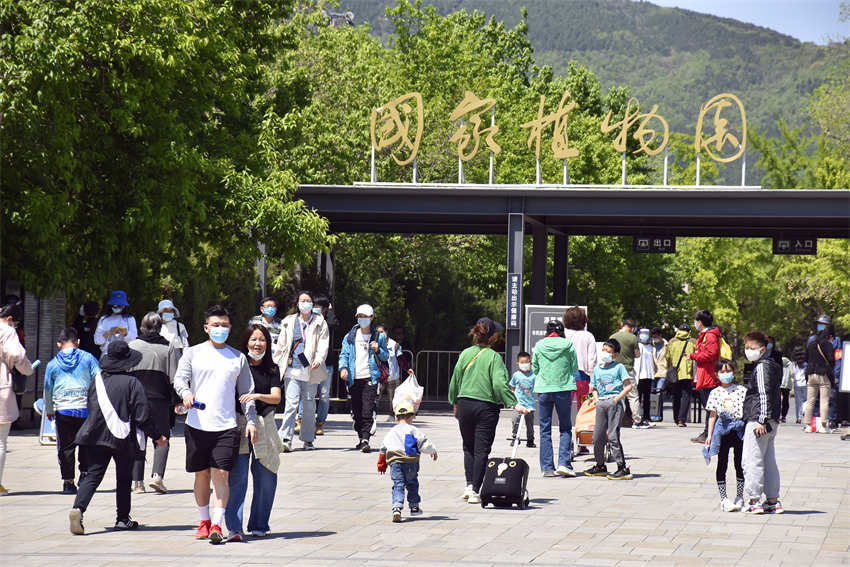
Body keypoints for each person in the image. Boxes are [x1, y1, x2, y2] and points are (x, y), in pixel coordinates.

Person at [173, 305, 258, 544]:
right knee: (202, 474)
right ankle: (204, 521)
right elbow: (180, 379)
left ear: (230, 328)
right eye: (216, 325)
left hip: (226, 426)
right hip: (197, 425)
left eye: (224, 325)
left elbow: (247, 393)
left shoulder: (238, 358)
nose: (220, 329)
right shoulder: (193, 353)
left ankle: (218, 525)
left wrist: (251, 421)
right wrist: (186, 393)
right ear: (206, 328)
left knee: (221, 474)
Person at [68, 341, 167, 534]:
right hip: (122, 437)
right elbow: (142, 415)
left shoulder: (97, 381)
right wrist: (157, 436)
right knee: (124, 478)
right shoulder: (132, 383)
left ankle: (78, 508)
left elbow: (91, 406)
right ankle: (122, 519)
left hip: (95, 435)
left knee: (93, 475)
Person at [448, 318, 521, 504]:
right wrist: (513, 403)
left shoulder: (465, 353)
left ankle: (469, 485)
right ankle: (475, 490)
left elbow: (455, 380)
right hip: (486, 407)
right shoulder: (494, 357)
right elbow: (499, 384)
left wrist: (455, 403)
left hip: (465, 404)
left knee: (468, 446)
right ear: (493, 336)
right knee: (481, 450)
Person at [225, 324, 282, 541]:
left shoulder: (272, 369)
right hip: (239, 425)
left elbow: (276, 397)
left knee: (266, 476)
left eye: (262, 340)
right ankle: (234, 528)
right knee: (237, 479)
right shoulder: (237, 365)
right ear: (245, 342)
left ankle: (259, 524)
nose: (258, 344)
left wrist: (257, 396)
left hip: (264, 425)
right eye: (253, 339)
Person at [44, 327, 100, 494]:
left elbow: (48, 388)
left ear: (59, 344)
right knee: (86, 443)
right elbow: (99, 380)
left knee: (66, 447)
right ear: (78, 342)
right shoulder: (88, 358)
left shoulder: (52, 364)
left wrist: (49, 409)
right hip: (85, 409)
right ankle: (85, 474)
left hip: (63, 410)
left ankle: (68, 482)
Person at [128, 312, 179, 494]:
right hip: (160, 400)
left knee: (138, 439)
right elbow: (174, 378)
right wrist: (177, 402)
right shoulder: (168, 347)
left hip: (136, 400)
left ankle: (138, 483)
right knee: (162, 438)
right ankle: (157, 477)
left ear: (142, 327)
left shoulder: (131, 346)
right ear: (160, 328)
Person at [273, 291, 329, 452]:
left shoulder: (319, 322)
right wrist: (276, 362)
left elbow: (323, 343)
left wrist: (319, 358)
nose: (305, 303)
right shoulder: (289, 321)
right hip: (292, 368)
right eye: (302, 300)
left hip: (311, 369)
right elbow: (282, 344)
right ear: (297, 303)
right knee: (291, 404)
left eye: (308, 300)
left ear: (312, 303)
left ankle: (308, 439)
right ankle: (285, 438)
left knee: (309, 405)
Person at [741, 331, 783, 514]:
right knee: (768, 461)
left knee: (752, 460)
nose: (748, 351)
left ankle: (754, 500)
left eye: (752, 347)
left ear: (763, 349)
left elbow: (763, 394)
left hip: (759, 420)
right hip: (772, 420)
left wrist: (762, 420)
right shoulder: (773, 365)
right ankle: (773, 500)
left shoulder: (761, 367)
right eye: (746, 347)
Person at [338, 304, 388, 452]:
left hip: (370, 377)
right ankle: (361, 437)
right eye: (360, 316)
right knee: (356, 410)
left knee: (368, 408)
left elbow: (385, 356)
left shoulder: (379, 336)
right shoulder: (350, 336)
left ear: (372, 318)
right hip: (354, 377)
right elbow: (344, 354)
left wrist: (378, 349)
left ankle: (366, 438)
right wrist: (343, 368)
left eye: (365, 316)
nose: (362, 319)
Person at [376, 404, 437, 523]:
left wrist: (381, 464)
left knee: (398, 484)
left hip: (395, 462)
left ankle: (397, 508)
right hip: (410, 461)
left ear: (396, 417)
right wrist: (432, 451)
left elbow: (383, 448)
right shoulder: (413, 429)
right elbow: (424, 444)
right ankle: (414, 507)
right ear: (412, 417)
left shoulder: (392, 431)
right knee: (412, 482)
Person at [532, 320, 578, 477]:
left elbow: (535, 368)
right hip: (563, 389)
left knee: (544, 429)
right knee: (565, 427)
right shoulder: (568, 345)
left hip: (543, 389)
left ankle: (547, 468)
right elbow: (574, 367)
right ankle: (564, 463)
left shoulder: (539, 345)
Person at [584, 338, 633, 480]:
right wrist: (596, 399)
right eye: (604, 350)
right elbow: (593, 387)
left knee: (612, 436)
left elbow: (628, 386)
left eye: (608, 351)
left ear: (615, 354)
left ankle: (622, 468)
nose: (605, 353)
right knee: (597, 436)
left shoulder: (619, 367)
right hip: (601, 403)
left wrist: (616, 400)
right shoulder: (597, 369)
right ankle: (600, 465)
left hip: (614, 403)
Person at [0, 302, 35, 496]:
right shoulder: (7, 331)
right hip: (1, 386)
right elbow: (16, 354)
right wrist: (28, 370)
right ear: (10, 319)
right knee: (0, 441)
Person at [703, 362, 747, 512]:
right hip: (722, 430)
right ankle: (723, 498)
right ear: (716, 374)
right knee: (722, 463)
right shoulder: (715, 393)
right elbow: (712, 415)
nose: (726, 374)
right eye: (722, 371)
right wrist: (709, 435)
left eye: (728, 370)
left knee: (740, 464)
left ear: (734, 372)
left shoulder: (742, 390)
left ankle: (740, 496)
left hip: (739, 429)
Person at [689, 310, 722, 444]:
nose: (695, 323)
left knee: (710, 406)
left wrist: (693, 356)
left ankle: (710, 433)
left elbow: (711, 354)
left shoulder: (710, 336)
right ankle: (708, 432)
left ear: (700, 322)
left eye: (696, 321)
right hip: (704, 375)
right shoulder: (705, 335)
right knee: (708, 406)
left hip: (708, 376)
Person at [562, 307, 596, 426]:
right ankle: (583, 433)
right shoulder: (588, 336)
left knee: (564, 408)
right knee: (586, 407)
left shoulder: (563, 335)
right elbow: (592, 359)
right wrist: (593, 381)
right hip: (584, 378)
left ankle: (565, 435)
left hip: (565, 378)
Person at [311, 295, 339, 434]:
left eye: (319, 307)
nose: (315, 309)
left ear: (325, 309)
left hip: (326, 363)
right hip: (310, 362)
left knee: (324, 394)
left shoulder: (328, 321)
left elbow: (334, 324)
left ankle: (320, 423)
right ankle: (301, 419)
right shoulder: (309, 320)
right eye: (314, 306)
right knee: (308, 393)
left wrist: (331, 311)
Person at [803, 324, 835, 433]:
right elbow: (831, 360)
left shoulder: (811, 344)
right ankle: (823, 426)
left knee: (810, 401)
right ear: (829, 336)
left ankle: (808, 425)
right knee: (824, 401)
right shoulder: (828, 344)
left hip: (810, 374)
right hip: (823, 374)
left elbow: (806, 358)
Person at [609, 319, 640, 427]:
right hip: (627, 370)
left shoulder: (612, 336)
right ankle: (636, 420)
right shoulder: (633, 338)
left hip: (614, 369)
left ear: (622, 325)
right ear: (631, 328)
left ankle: (613, 419)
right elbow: (637, 354)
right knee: (633, 396)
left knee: (615, 394)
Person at [666, 324, 695, 427]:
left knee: (676, 395)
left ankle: (676, 418)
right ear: (689, 331)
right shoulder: (693, 342)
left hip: (675, 372)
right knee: (686, 396)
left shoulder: (672, 341)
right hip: (687, 373)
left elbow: (667, 357)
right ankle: (681, 420)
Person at [375, 323, 403, 423]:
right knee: (375, 396)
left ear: (386, 332)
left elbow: (400, 359)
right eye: (378, 332)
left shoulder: (394, 345)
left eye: (382, 332)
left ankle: (392, 415)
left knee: (393, 398)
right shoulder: (374, 344)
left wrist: (408, 368)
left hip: (393, 376)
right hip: (379, 376)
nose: (380, 334)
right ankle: (372, 414)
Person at [508, 351, 535, 448]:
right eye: (522, 362)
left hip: (529, 405)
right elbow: (513, 388)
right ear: (518, 363)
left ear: (530, 362)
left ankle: (530, 440)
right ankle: (515, 437)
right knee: (515, 420)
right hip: (518, 404)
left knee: (530, 424)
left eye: (526, 362)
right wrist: (513, 401)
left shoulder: (534, 375)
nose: (524, 364)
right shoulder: (516, 375)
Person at [634, 327, 656, 429]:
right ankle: (637, 417)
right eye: (643, 333)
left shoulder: (651, 347)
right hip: (639, 376)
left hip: (648, 375)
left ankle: (647, 417)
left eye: (647, 333)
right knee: (638, 398)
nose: (645, 335)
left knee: (647, 398)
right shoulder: (637, 346)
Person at [791, 346, 807, 424]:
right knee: (806, 399)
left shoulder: (793, 363)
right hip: (805, 382)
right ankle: (804, 410)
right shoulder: (805, 363)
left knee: (798, 401)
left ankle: (798, 417)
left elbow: (792, 374)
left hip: (796, 383)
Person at [650, 327, 668, 394]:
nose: (654, 339)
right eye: (653, 337)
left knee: (659, 394)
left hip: (663, 373)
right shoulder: (651, 345)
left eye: (656, 337)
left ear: (660, 335)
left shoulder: (667, 345)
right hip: (652, 373)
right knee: (651, 395)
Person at [779, 353, 794, 423]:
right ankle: (783, 416)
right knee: (785, 400)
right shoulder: (790, 363)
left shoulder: (778, 361)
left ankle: (777, 415)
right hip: (787, 384)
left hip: (779, 383)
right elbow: (792, 373)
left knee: (777, 399)